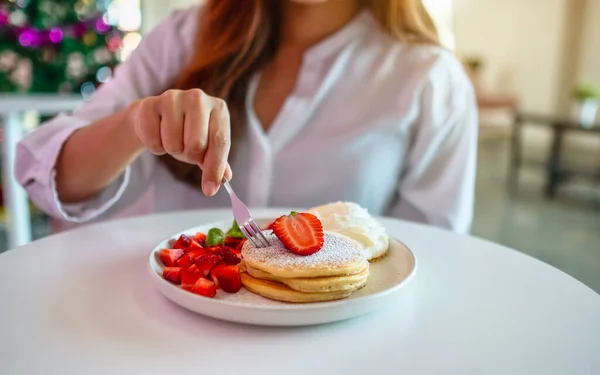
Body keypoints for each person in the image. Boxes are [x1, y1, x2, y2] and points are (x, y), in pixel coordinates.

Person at [15, 0, 478, 234]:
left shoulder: (429, 79)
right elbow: (51, 178)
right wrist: (136, 124)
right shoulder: (183, 37)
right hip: (170, 342)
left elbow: (428, 255)